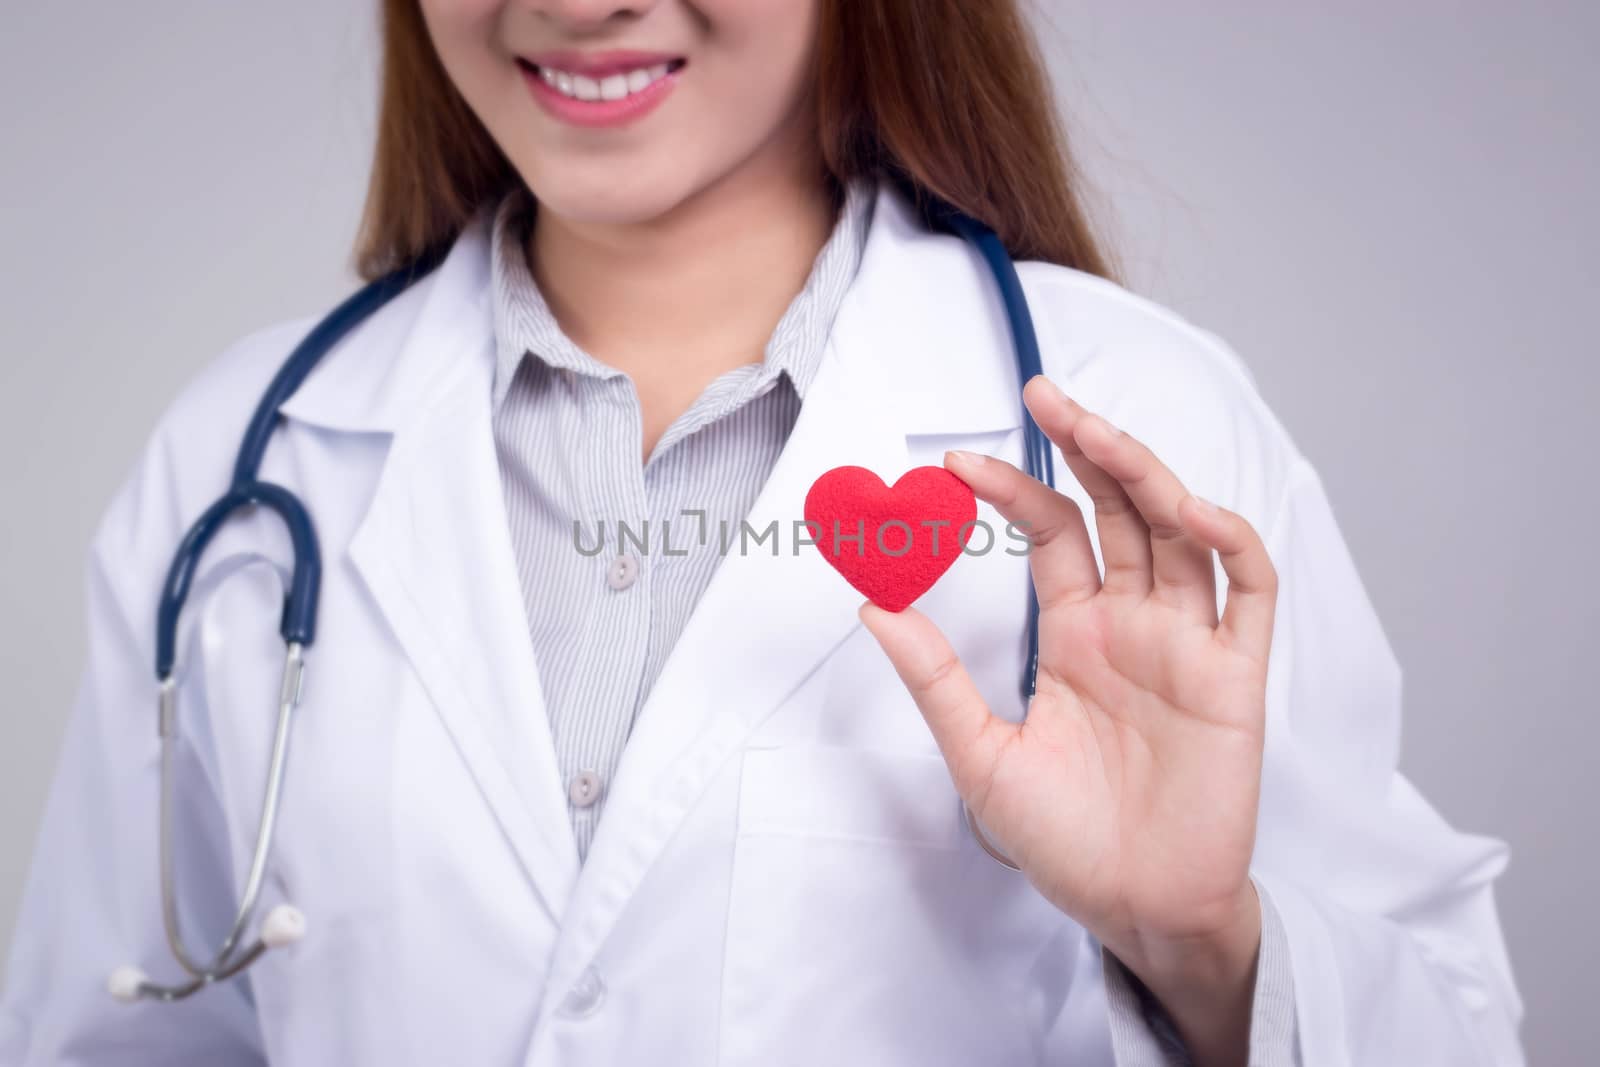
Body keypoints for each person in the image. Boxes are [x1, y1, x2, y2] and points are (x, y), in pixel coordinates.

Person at [0, 0, 1526, 1064]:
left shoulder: (1139, 433)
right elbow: (110, 1035)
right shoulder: (244, 461)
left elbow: (1457, 1028)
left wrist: (1209, 952)